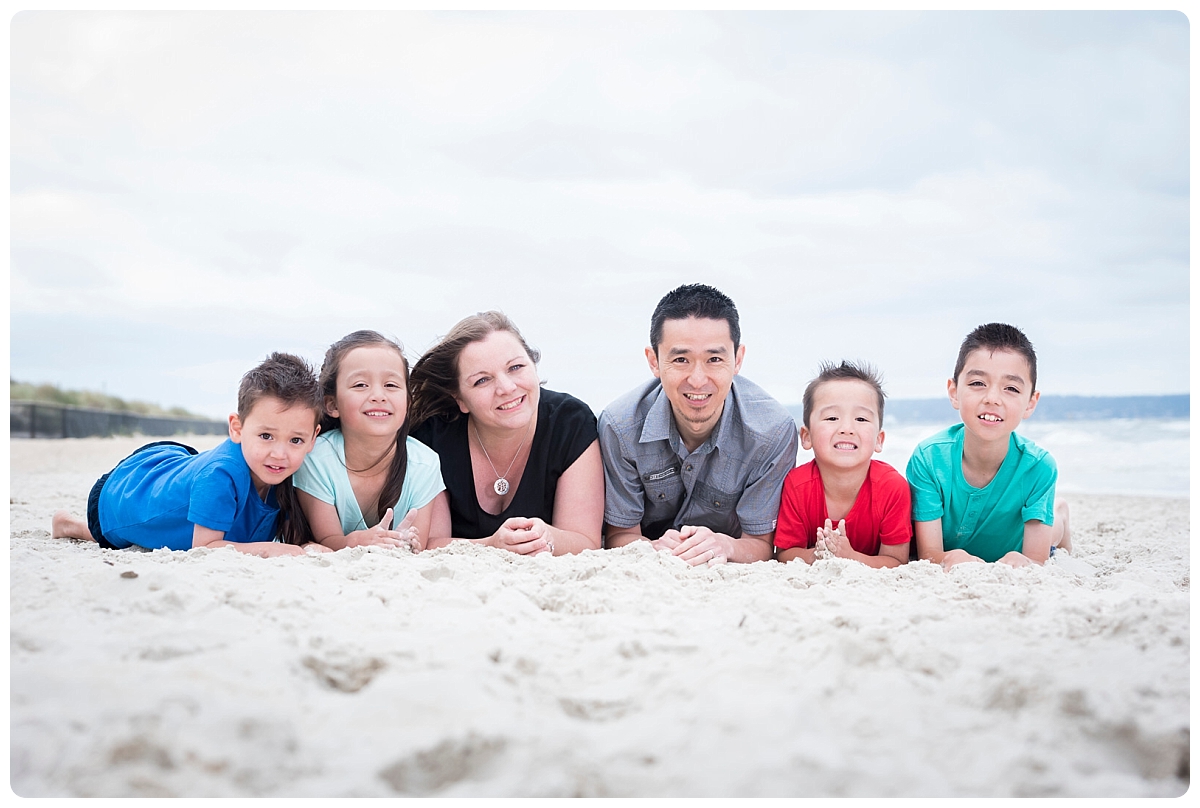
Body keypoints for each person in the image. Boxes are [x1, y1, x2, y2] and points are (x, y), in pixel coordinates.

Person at [50, 353, 329, 557]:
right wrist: (269, 550)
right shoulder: (220, 475)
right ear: (237, 428)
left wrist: (306, 544)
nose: (279, 453)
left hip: (184, 467)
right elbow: (205, 548)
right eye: (266, 436)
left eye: (295, 439)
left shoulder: (287, 470)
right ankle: (70, 524)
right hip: (128, 489)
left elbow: (291, 537)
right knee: (119, 533)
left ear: (312, 438)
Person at [599, 283, 797, 566]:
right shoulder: (620, 427)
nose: (697, 379)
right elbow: (620, 535)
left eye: (714, 359)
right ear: (654, 361)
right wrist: (653, 547)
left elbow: (760, 545)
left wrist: (725, 545)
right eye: (681, 359)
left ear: (737, 359)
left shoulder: (772, 432)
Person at [408, 311, 603, 556]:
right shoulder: (433, 435)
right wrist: (490, 545)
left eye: (516, 367)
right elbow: (427, 543)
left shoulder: (570, 422)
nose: (507, 388)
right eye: (482, 381)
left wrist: (547, 537)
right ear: (460, 398)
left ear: (534, 366)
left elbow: (586, 540)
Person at [907, 322, 1072, 570]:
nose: (992, 399)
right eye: (977, 383)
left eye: (1011, 388)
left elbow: (1036, 561)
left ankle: (1060, 514)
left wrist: (1024, 561)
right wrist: (949, 557)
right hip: (956, 544)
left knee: (1052, 530)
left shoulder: (1039, 467)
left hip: (1015, 540)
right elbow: (929, 554)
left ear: (1030, 402)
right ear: (954, 391)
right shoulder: (929, 459)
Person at [293, 331, 446, 552]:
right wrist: (357, 541)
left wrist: (405, 542)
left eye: (391, 385)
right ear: (332, 405)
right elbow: (328, 539)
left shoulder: (425, 463)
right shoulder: (316, 458)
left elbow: (419, 545)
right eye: (360, 385)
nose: (378, 395)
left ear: (408, 402)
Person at [774, 361, 911, 567]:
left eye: (861, 419)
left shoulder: (892, 488)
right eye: (832, 417)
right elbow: (784, 554)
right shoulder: (797, 485)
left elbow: (896, 560)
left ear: (879, 440)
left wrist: (850, 557)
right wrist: (819, 554)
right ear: (806, 436)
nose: (847, 428)